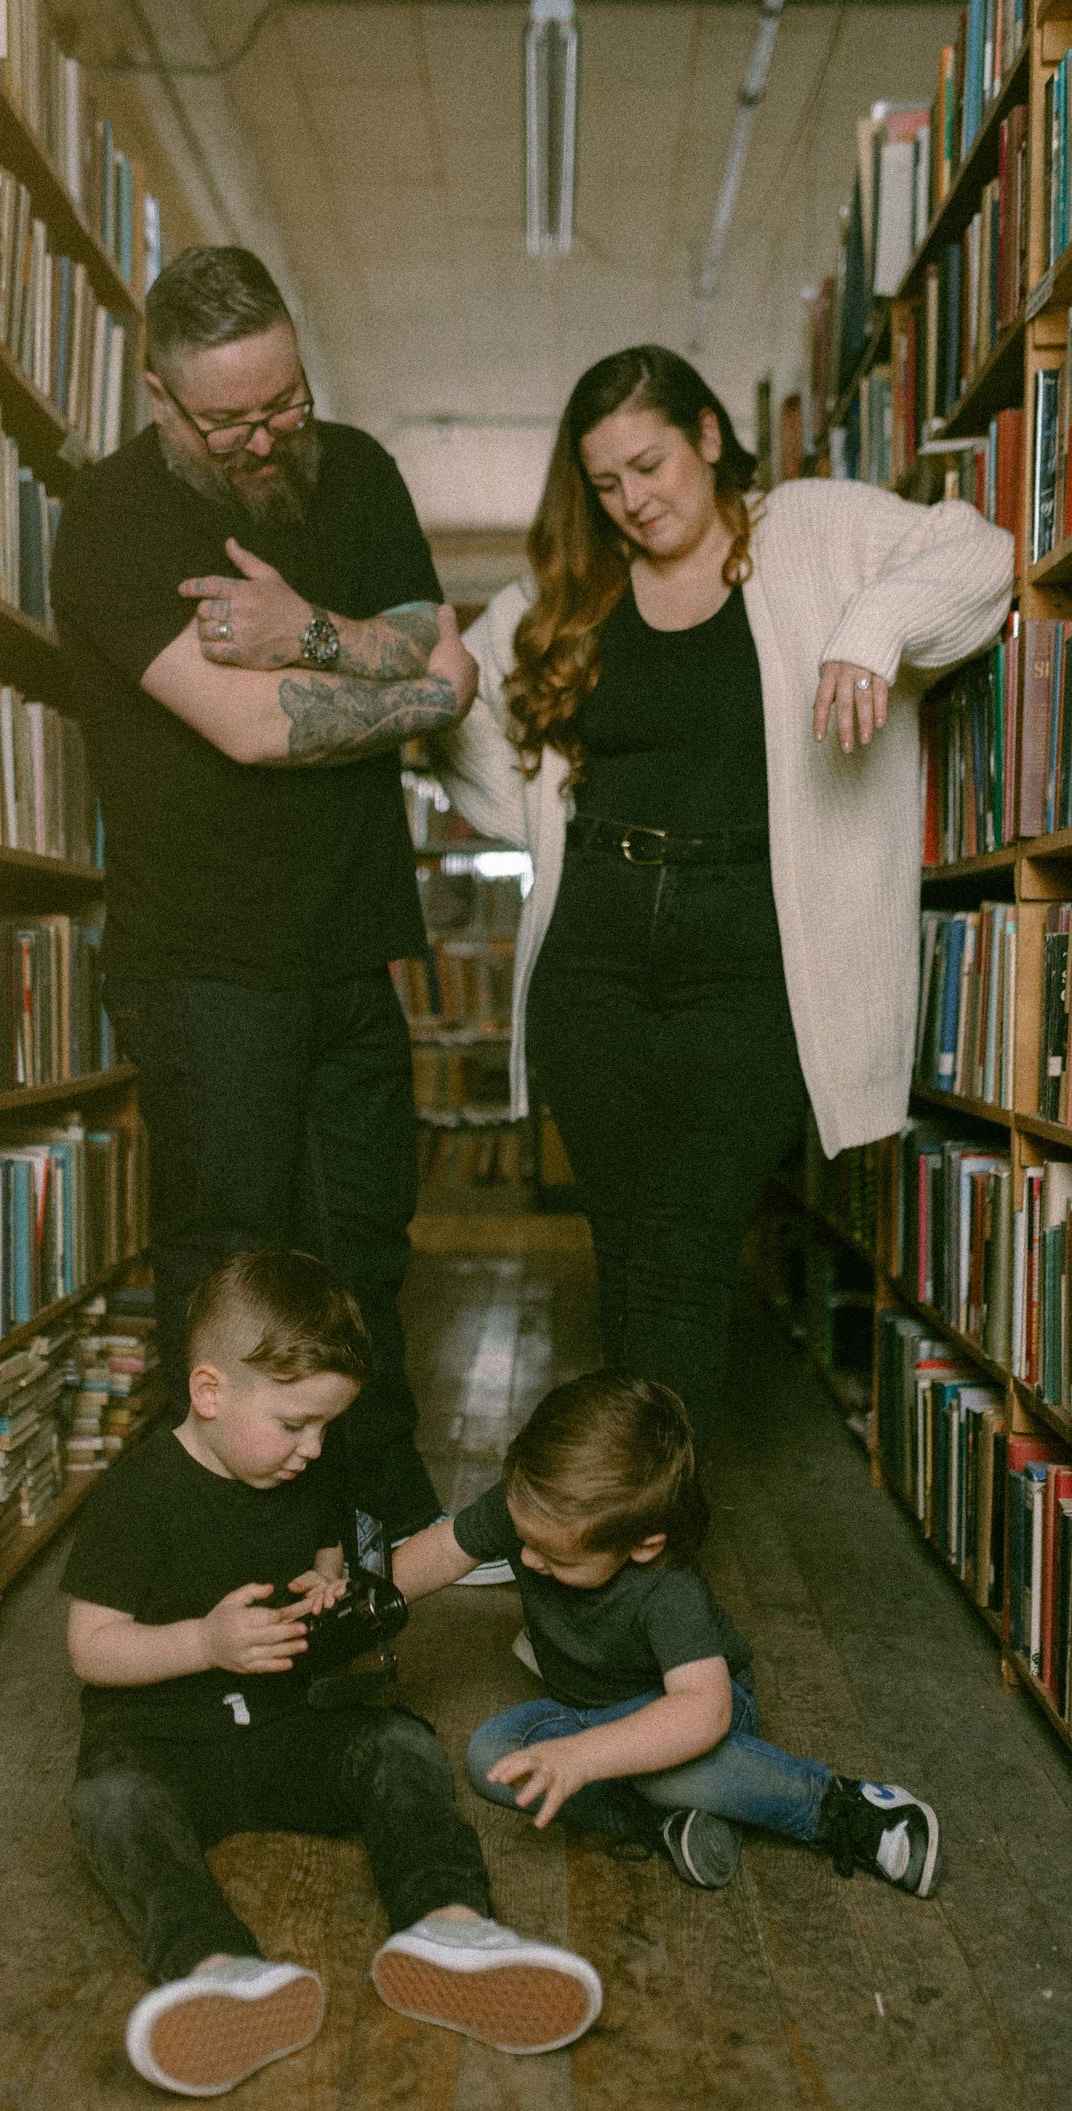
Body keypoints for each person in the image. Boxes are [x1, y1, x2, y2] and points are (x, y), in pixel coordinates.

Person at [432, 345, 1015, 1449]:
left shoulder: (808, 526)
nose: (633, 501)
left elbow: (975, 550)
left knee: (688, 1249)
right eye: (604, 485)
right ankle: (639, 1550)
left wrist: (869, 630)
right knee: (633, 1250)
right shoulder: (567, 592)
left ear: (708, 436)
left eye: (650, 465)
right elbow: (456, 709)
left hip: (750, 961)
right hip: (594, 956)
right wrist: (539, 824)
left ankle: (630, 1548)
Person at [50, 245, 477, 1548]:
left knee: (368, 1249)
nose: (263, 438)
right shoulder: (116, 517)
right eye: (229, 420)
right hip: (202, 955)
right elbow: (243, 728)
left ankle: (384, 1531)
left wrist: (305, 632)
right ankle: (228, 1557)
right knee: (231, 1267)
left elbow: (444, 662)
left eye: (282, 401)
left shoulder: (358, 470)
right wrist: (404, 680)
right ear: (162, 400)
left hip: (352, 942)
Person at [62, 1248, 603, 2097]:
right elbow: (91, 1646)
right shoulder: (137, 1496)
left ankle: (451, 1927)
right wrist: (203, 1644)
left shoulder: (304, 1473)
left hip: (285, 1726)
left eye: (325, 1427)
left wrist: (330, 1597)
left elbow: (324, 1567)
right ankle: (214, 1970)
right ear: (210, 1393)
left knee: (397, 1743)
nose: (312, 1449)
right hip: (164, 1743)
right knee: (111, 1803)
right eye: (293, 1424)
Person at [391, 1371, 941, 1895]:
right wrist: (363, 1602)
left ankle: (845, 1808)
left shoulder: (669, 1589)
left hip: (691, 1715)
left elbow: (704, 1711)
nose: (526, 1559)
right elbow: (441, 1551)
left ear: (643, 1544)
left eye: (557, 1558)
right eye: (523, 1538)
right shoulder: (533, 1513)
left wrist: (582, 1758)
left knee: (664, 1773)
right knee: (491, 1758)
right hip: (585, 1711)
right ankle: (667, 1824)